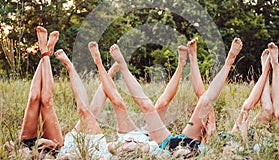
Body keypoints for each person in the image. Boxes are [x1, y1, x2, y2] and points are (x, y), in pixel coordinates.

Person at [88, 37, 243, 157]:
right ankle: (229, 61)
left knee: (151, 106)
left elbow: (115, 148)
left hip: (166, 143)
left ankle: (121, 65)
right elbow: (203, 96)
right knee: (204, 101)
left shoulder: (161, 152)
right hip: (188, 139)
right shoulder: (206, 148)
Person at [5, 26, 63, 159]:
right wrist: (52, 145)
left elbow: (8, 147)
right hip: (53, 148)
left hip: (27, 144)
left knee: (33, 98)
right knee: (46, 101)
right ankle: (45, 53)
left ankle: (45, 52)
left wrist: (14, 147)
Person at [231, 42, 279, 142]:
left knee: (246, 108)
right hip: (260, 141)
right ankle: (274, 66)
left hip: (242, 137)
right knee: (277, 113)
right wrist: (245, 135)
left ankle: (268, 69)